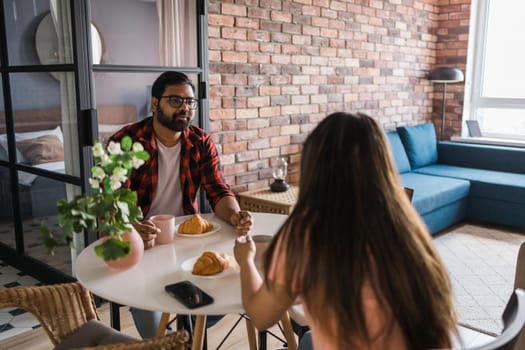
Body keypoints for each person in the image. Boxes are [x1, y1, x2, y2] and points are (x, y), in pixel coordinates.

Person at [234, 112, 458, 349]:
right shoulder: (406, 226)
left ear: (314, 167)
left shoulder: (306, 233)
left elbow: (261, 316)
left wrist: (245, 260)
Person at [108, 71, 253, 339]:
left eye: (189, 102)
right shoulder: (125, 142)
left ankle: (185, 333)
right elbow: (111, 201)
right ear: (154, 104)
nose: (185, 108)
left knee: (229, 279)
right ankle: (164, 342)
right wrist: (129, 228)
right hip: (143, 240)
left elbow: (217, 189)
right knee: (147, 301)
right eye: (175, 101)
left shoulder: (200, 141)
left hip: (188, 237)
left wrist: (234, 216)